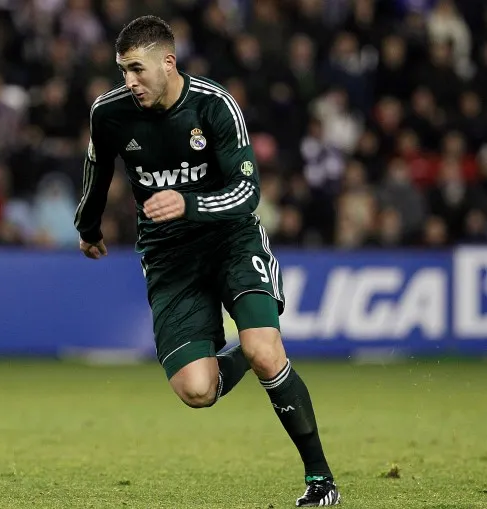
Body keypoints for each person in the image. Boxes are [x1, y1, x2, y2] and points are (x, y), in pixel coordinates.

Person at [73, 15, 340, 507]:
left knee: (266, 352)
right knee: (197, 390)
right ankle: (253, 347)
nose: (128, 82)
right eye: (122, 71)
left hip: (230, 240)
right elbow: (98, 164)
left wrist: (189, 202)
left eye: (136, 69)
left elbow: (248, 190)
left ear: (167, 62)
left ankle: (320, 480)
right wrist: (88, 227)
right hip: (169, 255)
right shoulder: (109, 113)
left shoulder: (215, 105)